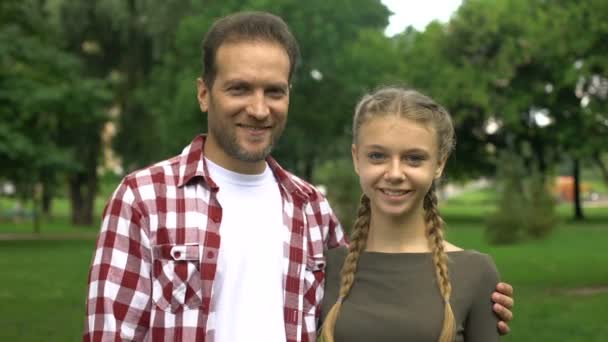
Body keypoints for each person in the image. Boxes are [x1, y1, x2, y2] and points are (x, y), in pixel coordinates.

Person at [83, 11, 514, 342]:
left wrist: (473, 294)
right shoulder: (144, 199)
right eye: (239, 89)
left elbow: (370, 294)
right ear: (203, 93)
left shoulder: (310, 208)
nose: (258, 108)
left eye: (274, 91)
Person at [321, 86, 504, 341]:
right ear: (356, 158)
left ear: (439, 164)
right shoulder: (324, 269)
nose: (395, 174)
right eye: (377, 156)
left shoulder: (475, 272)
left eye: (414, 159)